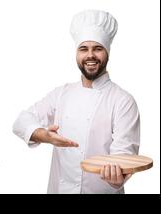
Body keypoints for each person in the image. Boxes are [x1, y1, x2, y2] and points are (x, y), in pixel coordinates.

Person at [12, 9, 140, 194]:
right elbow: (21, 121)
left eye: (97, 48)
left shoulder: (123, 101)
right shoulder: (62, 93)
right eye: (83, 49)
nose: (90, 55)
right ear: (76, 53)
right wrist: (42, 134)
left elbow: (124, 155)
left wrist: (118, 173)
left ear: (107, 52)